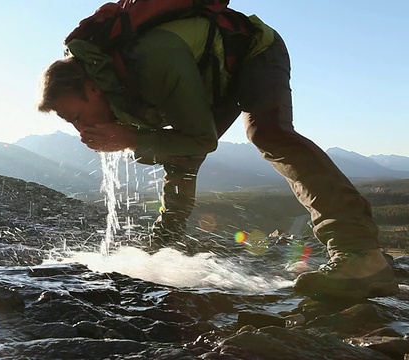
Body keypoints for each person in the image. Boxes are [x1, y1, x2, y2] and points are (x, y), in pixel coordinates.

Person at [37, 4, 398, 299]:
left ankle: (359, 254)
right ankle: (162, 244)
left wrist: (131, 139)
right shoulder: (116, 88)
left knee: (268, 134)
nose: (80, 129)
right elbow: (181, 147)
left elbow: (200, 139)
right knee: (182, 154)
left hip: (253, 50)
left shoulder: (151, 60)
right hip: (209, 73)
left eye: (77, 116)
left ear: (92, 88)